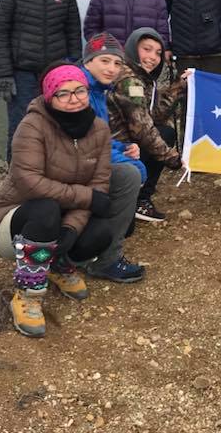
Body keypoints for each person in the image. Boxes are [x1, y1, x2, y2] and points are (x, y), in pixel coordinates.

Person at [0, 64, 114, 337]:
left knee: (100, 233)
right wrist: (86, 197)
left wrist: (71, 229)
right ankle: (28, 293)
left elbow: (98, 184)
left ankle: (56, 263)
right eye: (63, 94)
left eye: (79, 90)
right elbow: (29, 183)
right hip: (14, 221)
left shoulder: (99, 129)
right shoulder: (32, 126)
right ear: (49, 97)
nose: (74, 98)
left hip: (60, 219)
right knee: (46, 210)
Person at [0, 0, 82, 161]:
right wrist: (4, 75)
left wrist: (75, 74)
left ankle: (54, 178)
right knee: (22, 127)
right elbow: (0, 33)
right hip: (22, 74)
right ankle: (18, 181)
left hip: (57, 73)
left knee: (58, 126)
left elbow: (74, 36)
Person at [75, 34, 148, 282]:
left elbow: (98, 137)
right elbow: (86, 146)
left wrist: (122, 147)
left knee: (131, 168)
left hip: (82, 162)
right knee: (129, 175)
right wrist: (128, 160)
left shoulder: (97, 90)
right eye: (104, 61)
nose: (111, 69)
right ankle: (106, 261)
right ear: (88, 62)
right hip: (74, 167)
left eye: (117, 63)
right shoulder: (80, 92)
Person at [109, 28, 186, 223]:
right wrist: (172, 157)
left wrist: (179, 86)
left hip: (124, 143)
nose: (152, 57)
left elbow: (154, 114)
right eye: (147, 49)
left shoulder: (142, 77)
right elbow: (142, 127)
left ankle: (137, 196)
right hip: (117, 147)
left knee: (164, 131)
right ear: (133, 49)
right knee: (163, 135)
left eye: (158, 53)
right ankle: (138, 199)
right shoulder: (130, 80)